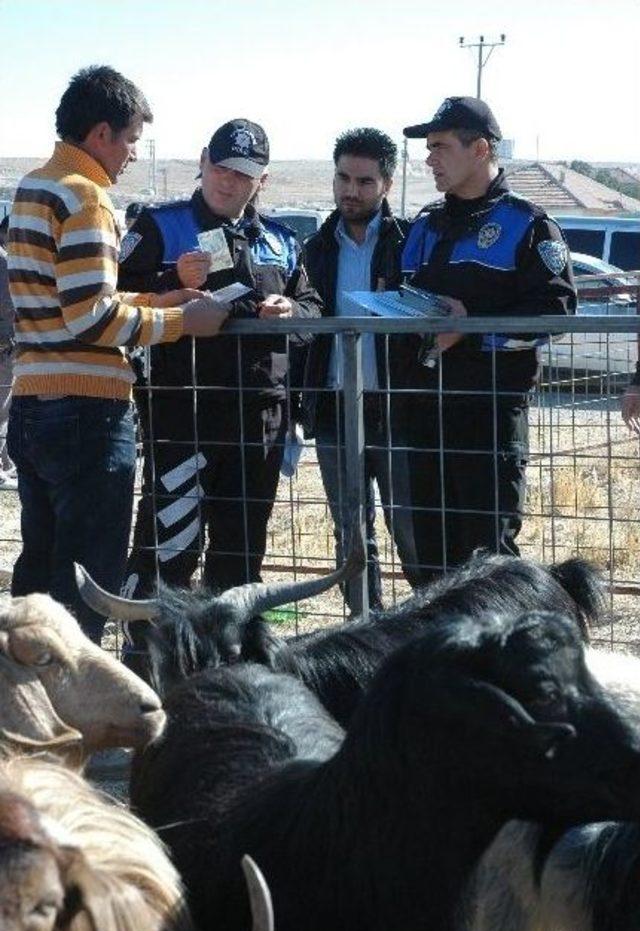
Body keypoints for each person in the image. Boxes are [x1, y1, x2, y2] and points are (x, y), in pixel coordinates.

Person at [6, 65, 228, 643]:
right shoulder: (88, 198)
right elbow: (91, 317)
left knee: (39, 576)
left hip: (33, 399)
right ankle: (78, 720)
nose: (132, 153)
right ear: (101, 133)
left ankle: (26, 708)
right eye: (130, 139)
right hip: (87, 408)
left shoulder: (33, 187)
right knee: (87, 582)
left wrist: (157, 297)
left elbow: (66, 301)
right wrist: (182, 320)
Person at [118, 118, 322, 672]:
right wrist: (171, 283)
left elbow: (314, 310)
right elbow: (116, 302)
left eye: (245, 175)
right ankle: (143, 676)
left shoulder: (281, 238)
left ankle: (232, 682)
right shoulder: (161, 227)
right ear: (203, 161)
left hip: (261, 422)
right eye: (223, 169)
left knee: (239, 563)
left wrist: (289, 313)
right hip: (182, 417)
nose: (230, 183)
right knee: (168, 552)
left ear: (263, 181)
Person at [401, 96, 577, 583]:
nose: (429, 158)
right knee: (429, 557)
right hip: (424, 411)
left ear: (479, 149)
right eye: (428, 148)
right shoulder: (424, 225)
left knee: (486, 560)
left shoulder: (528, 224)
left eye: (439, 147)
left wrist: (473, 328)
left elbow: (557, 312)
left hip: (489, 413)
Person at [302, 128, 421, 610]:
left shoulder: (410, 243)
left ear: (387, 185)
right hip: (333, 409)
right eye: (343, 177)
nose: (350, 190)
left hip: (396, 408)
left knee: (413, 529)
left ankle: (432, 635)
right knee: (350, 533)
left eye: (364, 181)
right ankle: (363, 630)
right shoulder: (313, 248)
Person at [0, 220, 17, 490]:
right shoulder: (4, 262)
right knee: (1, 408)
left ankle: (5, 463)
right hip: (3, 347)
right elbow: (9, 307)